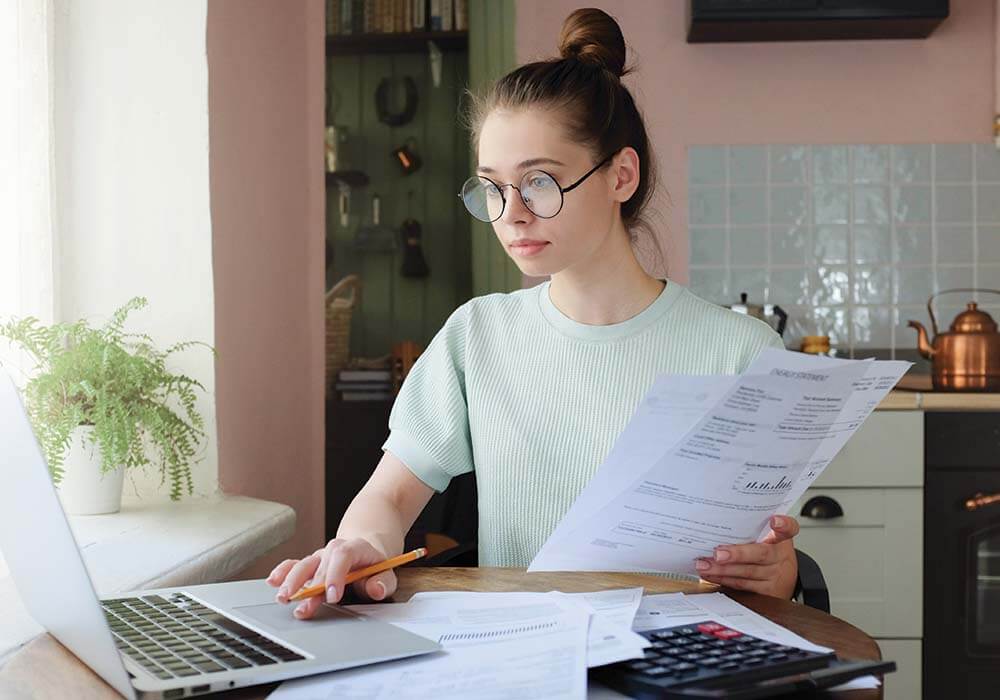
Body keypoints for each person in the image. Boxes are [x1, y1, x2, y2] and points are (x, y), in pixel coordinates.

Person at [269, 8, 800, 619]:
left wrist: (777, 571)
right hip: (520, 654)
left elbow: (769, 565)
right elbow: (388, 497)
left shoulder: (742, 352)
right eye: (492, 187)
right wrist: (361, 544)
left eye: (540, 182)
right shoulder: (478, 337)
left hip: (683, 657)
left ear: (620, 175)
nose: (511, 213)